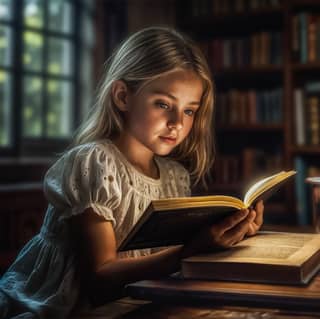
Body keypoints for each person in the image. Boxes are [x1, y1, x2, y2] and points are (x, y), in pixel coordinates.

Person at [0, 26, 264, 318]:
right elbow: (99, 280)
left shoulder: (175, 176)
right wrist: (191, 249)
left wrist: (232, 233)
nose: (177, 122)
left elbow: (160, 266)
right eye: (163, 104)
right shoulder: (94, 164)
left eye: (189, 110)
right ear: (123, 96)